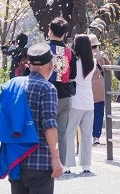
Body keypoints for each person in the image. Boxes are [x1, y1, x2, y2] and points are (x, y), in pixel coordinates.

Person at [7, 43, 63, 193]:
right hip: (39, 162)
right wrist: (55, 158)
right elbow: (49, 124)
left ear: (29, 64)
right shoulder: (47, 88)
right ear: (51, 65)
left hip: (15, 160)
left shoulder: (14, 85)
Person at [46, 17, 77, 167]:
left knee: (45, 129)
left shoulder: (44, 49)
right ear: (64, 33)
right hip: (65, 96)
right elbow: (73, 75)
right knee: (62, 133)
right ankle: (62, 164)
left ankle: (46, 161)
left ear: (50, 31)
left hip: (47, 96)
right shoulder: (69, 52)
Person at [64, 34, 95, 174]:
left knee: (69, 133)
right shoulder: (93, 62)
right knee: (87, 135)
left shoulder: (74, 62)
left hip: (75, 101)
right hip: (89, 101)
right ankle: (86, 165)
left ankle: (67, 165)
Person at [89, 34, 109, 145]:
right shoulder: (103, 56)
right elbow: (109, 70)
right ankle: (96, 136)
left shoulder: (84, 56)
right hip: (100, 89)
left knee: (88, 113)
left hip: (87, 88)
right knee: (99, 113)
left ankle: (87, 134)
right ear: (97, 45)